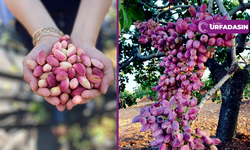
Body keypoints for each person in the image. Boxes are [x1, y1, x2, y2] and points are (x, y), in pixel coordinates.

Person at [4, 0, 115, 111]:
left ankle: (79, 104)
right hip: (31, 17)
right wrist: (45, 37)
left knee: (79, 92)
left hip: (90, 17)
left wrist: (85, 37)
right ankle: (59, 102)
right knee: (41, 64)